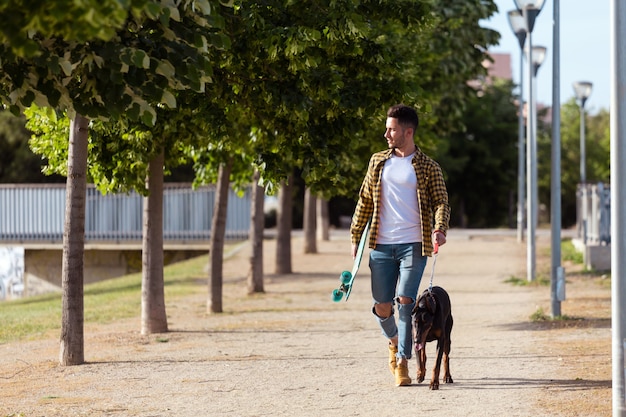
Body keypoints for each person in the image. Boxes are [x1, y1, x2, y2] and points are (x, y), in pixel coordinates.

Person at [350, 103, 450, 386]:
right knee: (383, 306)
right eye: (386, 128)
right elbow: (365, 201)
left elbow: (441, 201)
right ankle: (394, 341)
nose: (386, 134)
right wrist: (356, 237)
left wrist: (439, 228)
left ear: (408, 131)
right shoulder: (377, 162)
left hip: (413, 246)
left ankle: (403, 362)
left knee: (406, 302)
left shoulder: (428, 166)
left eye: (391, 129)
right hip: (381, 246)